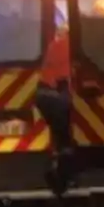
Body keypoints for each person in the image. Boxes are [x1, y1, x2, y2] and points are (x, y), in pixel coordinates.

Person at [36, 23, 74, 185]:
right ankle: (63, 167)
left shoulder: (54, 46)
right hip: (62, 93)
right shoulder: (75, 46)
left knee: (55, 132)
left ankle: (56, 162)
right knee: (63, 132)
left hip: (47, 92)